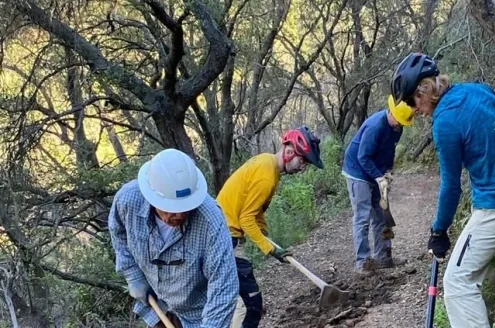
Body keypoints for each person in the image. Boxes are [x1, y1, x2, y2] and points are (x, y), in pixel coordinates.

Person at [390, 53, 495, 327]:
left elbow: (451, 186)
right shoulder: (476, 90)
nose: (412, 109)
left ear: (425, 90)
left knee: (455, 283)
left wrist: (439, 231)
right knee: (480, 276)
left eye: (411, 101)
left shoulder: (444, 122)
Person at [108, 148, 239, 328]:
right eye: (169, 208)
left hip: (199, 315)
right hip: (156, 306)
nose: (179, 215)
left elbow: (224, 287)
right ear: (152, 197)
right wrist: (132, 274)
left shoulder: (211, 220)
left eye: (185, 207)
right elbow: (118, 233)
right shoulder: (128, 200)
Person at [216, 126, 325, 328]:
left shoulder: (268, 164)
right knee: (250, 304)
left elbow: (251, 209)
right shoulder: (267, 175)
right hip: (224, 239)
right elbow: (246, 219)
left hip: (226, 234)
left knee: (241, 304)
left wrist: (263, 230)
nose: (302, 168)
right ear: (290, 152)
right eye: (302, 161)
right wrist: (271, 249)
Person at [341, 95, 414, 276]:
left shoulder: (398, 126)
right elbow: (362, 157)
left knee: (381, 214)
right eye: (398, 121)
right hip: (358, 172)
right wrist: (378, 177)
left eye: (402, 123)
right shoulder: (376, 126)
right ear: (391, 112)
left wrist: (388, 172)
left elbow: (390, 150)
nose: (399, 126)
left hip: (376, 172)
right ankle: (363, 262)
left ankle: (383, 258)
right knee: (363, 216)